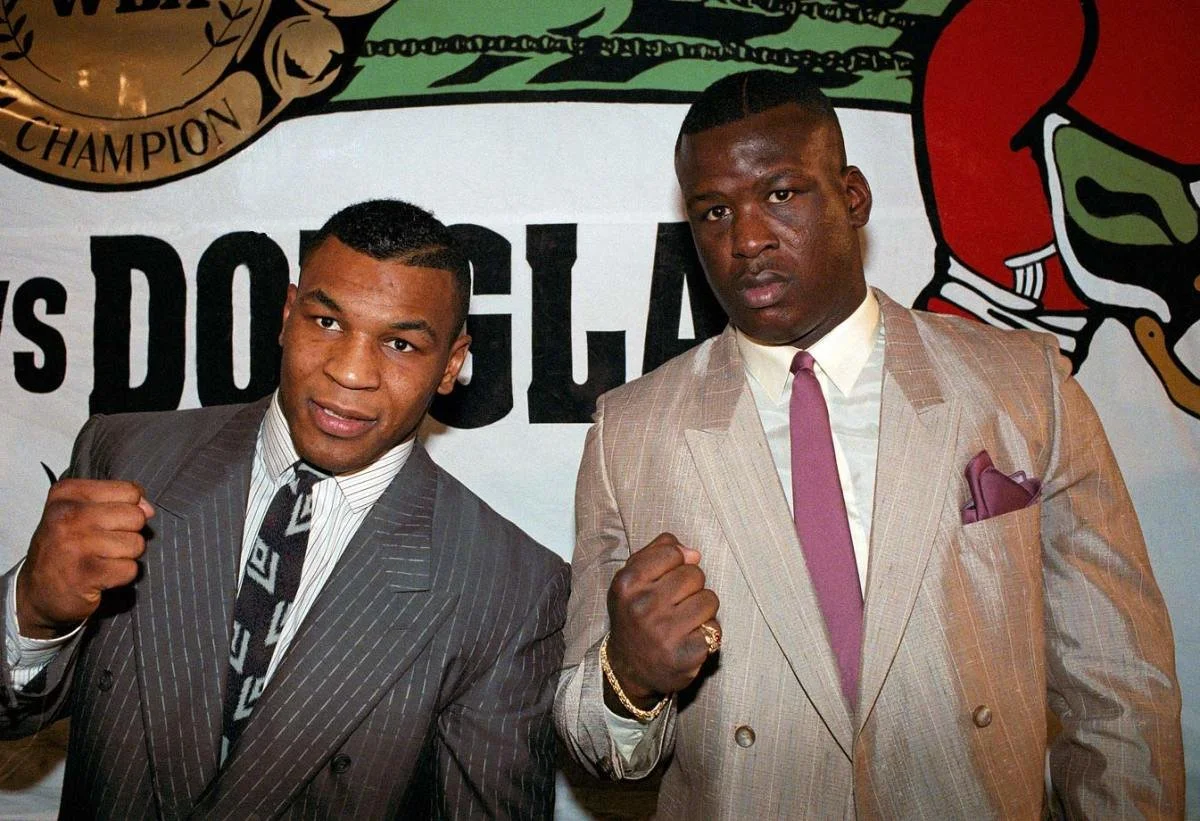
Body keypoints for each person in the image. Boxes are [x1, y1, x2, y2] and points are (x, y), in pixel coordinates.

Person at [554, 71, 1183, 818]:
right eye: (714, 211)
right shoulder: (629, 430)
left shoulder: (1025, 386)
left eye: (781, 194)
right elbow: (593, 741)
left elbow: (1117, 689)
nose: (746, 238)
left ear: (853, 198)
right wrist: (629, 679)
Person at [1, 200, 569, 819]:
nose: (350, 372)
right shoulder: (127, 455)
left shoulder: (510, 586)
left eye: (400, 343)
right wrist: (33, 613)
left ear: (451, 364)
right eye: (326, 322)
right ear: (287, 314)